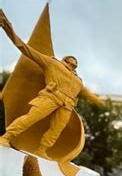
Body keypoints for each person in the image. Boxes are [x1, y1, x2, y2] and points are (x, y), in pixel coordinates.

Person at [0, 10, 102, 158]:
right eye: (71, 58)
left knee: (56, 130)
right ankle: (7, 136)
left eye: (76, 60)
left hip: (67, 105)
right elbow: (25, 48)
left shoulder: (79, 81)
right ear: (65, 59)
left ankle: (42, 150)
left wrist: (100, 103)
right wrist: (8, 28)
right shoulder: (52, 63)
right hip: (51, 97)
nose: (74, 60)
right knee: (30, 118)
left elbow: (88, 94)